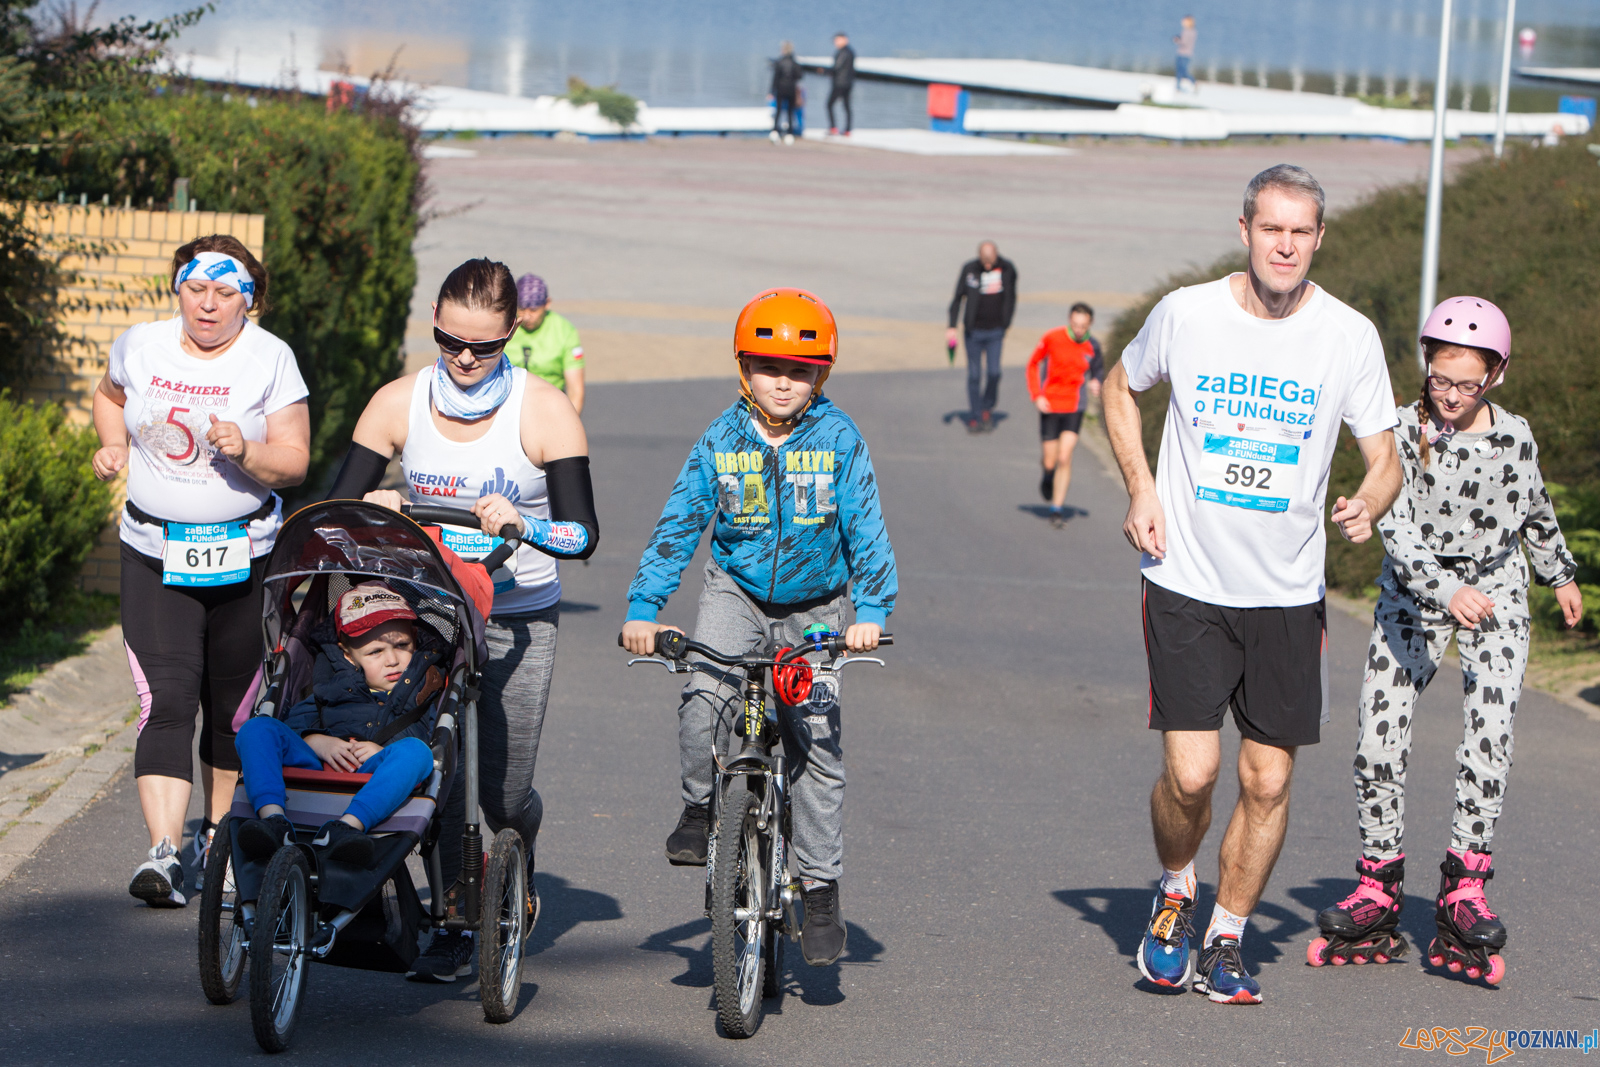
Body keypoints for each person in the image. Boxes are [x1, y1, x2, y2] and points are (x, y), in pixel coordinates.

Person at [1102, 164, 1402, 1004]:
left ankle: (1228, 936)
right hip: (1189, 578)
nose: (1286, 244)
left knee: (1267, 778)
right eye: (1272, 228)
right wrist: (1140, 486)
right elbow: (1118, 388)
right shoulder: (1187, 313)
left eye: (1301, 231)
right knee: (1193, 776)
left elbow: (1385, 457)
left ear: (1318, 239)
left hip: (1287, 592)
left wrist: (1369, 502)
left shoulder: (1347, 334)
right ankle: (1174, 890)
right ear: (1244, 229)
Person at [326, 257, 599, 981]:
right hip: (431, 614)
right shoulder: (397, 403)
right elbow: (329, 513)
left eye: (485, 345)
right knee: (438, 765)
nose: (466, 358)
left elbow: (584, 535)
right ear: (436, 330)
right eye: (450, 342)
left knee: (501, 792)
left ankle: (517, 853)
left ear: (513, 332)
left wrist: (525, 525)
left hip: (517, 615)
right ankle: (454, 915)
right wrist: (371, 508)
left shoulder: (542, 410)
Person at [620, 288, 897, 967]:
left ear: (821, 377)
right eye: (768, 366)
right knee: (702, 695)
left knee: (816, 741)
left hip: (816, 607)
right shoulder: (720, 439)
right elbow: (679, 523)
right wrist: (643, 608)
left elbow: (866, 528)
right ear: (743, 369)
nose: (783, 381)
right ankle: (697, 809)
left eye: (800, 370)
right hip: (735, 592)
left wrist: (871, 613)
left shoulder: (839, 439)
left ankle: (822, 888)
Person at [1309, 297, 1583, 980]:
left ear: (1495, 376)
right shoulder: (1399, 429)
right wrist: (1441, 589)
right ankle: (1378, 883)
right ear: (1425, 369)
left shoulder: (1514, 434)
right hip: (1414, 596)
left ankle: (1465, 887)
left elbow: (1535, 503)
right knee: (1377, 740)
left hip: (1496, 596)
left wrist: (1559, 574)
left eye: (1467, 384)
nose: (1451, 396)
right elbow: (1395, 521)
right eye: (1439, 379)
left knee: (1486, 746)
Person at [92, 235, 310, 908]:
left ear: (250, 298)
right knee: (166, 699)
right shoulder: (140, 345)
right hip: (154, 551)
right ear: (177, 288)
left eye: (224, 292)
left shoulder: (270, 358)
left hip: (245, 556)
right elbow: (108, 394)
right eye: (195, 289)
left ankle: (217, 840)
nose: (207, 305)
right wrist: (111, 442)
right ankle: (163, 852)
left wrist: (246, 449)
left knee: (231, 710)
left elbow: (296, 460)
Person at [232, 582, 442, 868]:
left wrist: (383, 749)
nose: (392, 660)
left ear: (415, 640)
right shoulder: (329, 681)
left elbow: (431, 738)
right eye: (375, 652)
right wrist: (316, 741)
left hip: (376, 772)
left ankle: (347, 828)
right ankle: (272, 821)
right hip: (316, 768)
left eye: (402, 646)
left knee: (417, 751)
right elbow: (293, 724)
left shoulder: (425, 684)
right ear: (347, 654)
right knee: (257, 728)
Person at [1026, 302, 1104, 526]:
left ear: (1090, 324)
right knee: (1050, 461)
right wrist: (1036, 395)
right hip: (1050, 405)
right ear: (1070, 320)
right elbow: (1033, 364)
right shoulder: (1052, 338)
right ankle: (1048, 475)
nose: (1079, 330)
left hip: (1074, 407)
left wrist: (1096, 383)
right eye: (1075, 324)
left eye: (1083, 326)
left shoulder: (1093, 346)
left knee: (1064, 457)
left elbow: (1097, 371)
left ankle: (1056, 508)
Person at [946, 241, 1018, 432]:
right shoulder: (969, 269)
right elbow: (957, 298)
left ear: (997, 255)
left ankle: (987, 407)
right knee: (974, 375)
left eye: (990, 261)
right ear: (979, 256)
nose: (987, 265)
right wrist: (951, 326)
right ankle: (975, 416)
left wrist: (1006, 322)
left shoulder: (1007, 269)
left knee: (994, 373)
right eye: (984, 261)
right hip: (973, 332)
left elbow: (1011, 297)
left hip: (996, 331)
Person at [506, 273, 586, 415]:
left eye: (534, 310)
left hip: (549, 408)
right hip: (507, 405)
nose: (527, 316)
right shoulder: (504, 326)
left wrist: (568, 428)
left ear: (547, 304)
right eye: (522, 309)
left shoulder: (565, 331)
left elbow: (576, 392)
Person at [769, 41, 802, 145]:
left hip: (780, 89)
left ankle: (775, 131)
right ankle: (790, 133)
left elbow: (775, 78)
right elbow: (799, 76)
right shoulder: (795, 63)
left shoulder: (779, 62)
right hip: (791, 89)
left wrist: (771, 92)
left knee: (778, 111)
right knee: (790, 111)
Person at [829, 32, 855, 135]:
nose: (835, 42)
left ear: (844, 40)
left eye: (837, 40)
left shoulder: (842, 52)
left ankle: (833, 128)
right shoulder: (851, 52)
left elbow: (836, 67)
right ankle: (848, 129)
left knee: (829, 104)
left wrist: (825, 71)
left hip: (839, 83)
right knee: (847, 106)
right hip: (849, 83)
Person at [1174, 16, 1198, 94]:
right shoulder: (1190, 31)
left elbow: (1185, 43)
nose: (1182, 22)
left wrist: (1177, 40)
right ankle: (1178, 87)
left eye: (1184, 21)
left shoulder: (1189, 31)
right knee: (1179, 71)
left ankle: (1193, 82)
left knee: (1183, 71)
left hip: (1185, 54)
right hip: (1182, 53)